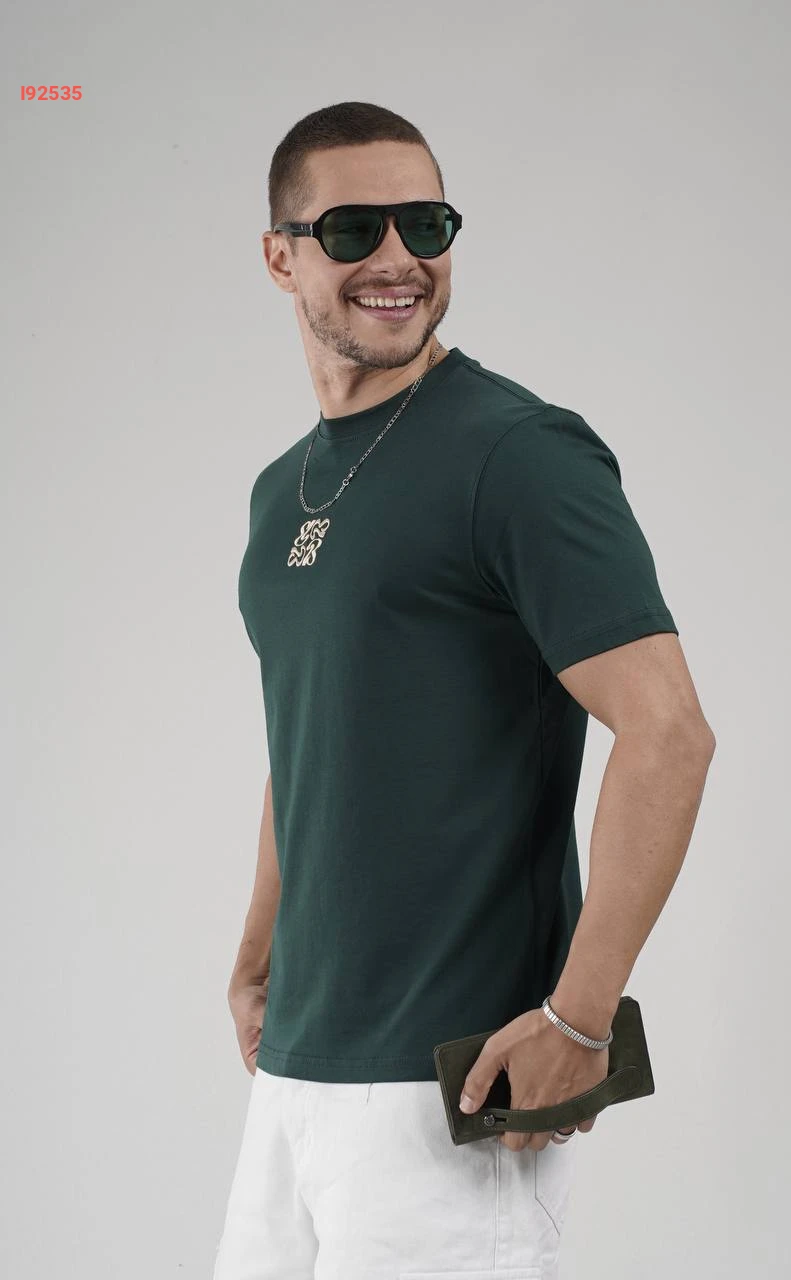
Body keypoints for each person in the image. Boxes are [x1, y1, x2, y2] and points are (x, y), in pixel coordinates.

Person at [213, 101, 716, 1280]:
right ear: (280, 256)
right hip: (294, 1075)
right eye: (353, 228)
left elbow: (668, 732)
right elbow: (310, 736)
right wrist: (257, 950)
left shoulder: (518, 453)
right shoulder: (281, 490)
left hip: (447, 1086)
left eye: (425, 223)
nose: (396, 257)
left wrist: (579, 1018)